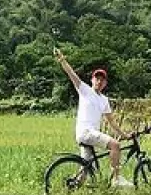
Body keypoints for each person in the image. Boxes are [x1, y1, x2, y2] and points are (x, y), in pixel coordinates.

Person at [54, 48, 132, 187]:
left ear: (105, 84)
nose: (99, 81)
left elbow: (111, 122)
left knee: (85, 172)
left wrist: (123, 134)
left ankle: (70, 190)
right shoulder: (85, 90)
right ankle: (116, 179)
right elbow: (71, 73)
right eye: (97, 78)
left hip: (91, 135)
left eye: (102, 80)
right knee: (115, 145)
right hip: (86, 132)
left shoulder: (104, 100)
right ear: (92, 80)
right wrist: (62, 60)